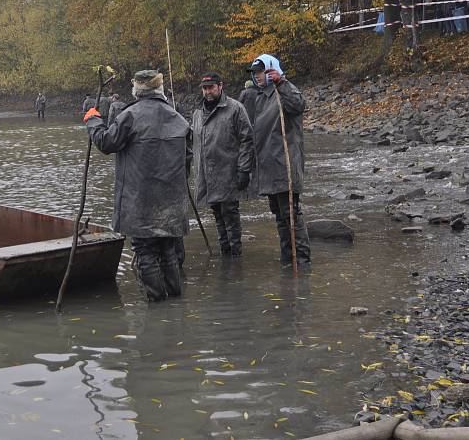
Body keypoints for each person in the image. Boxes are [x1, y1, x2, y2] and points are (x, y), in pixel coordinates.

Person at [83, 70, 191, 302]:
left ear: (137, 89)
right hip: (172, 200)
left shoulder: (130, 116)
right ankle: (174, 302)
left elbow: (106, 142)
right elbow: (188, 158)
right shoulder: (178, 118)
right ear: (159, 89)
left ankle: (157, 303)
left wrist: (93, 120)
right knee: (168, 250)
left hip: (141, 200)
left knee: (146, 251)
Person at [244, 54, 311, 267]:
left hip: (286, 166)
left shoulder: (283, 92)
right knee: (280, 217)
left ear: (271, 71)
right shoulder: (260, 97)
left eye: (260, 72)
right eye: (254, 73)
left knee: (291, 215)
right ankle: (286, 258)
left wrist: (281, 82)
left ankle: (301, 260)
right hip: (268, 168)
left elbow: (299, 104)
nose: (257, 77)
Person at [190, 72, 254, 257]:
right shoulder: (198, 113)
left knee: (230, 215)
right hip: (207, 174)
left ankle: (235, 255)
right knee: (217, 215)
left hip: (229, 171)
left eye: (211, 87)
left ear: (220, 86)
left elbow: (247, 139)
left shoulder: (235, 108)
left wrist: (244, 169)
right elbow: (193, 140)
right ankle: (225, 253)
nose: (207, 91)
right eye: (204, 88)